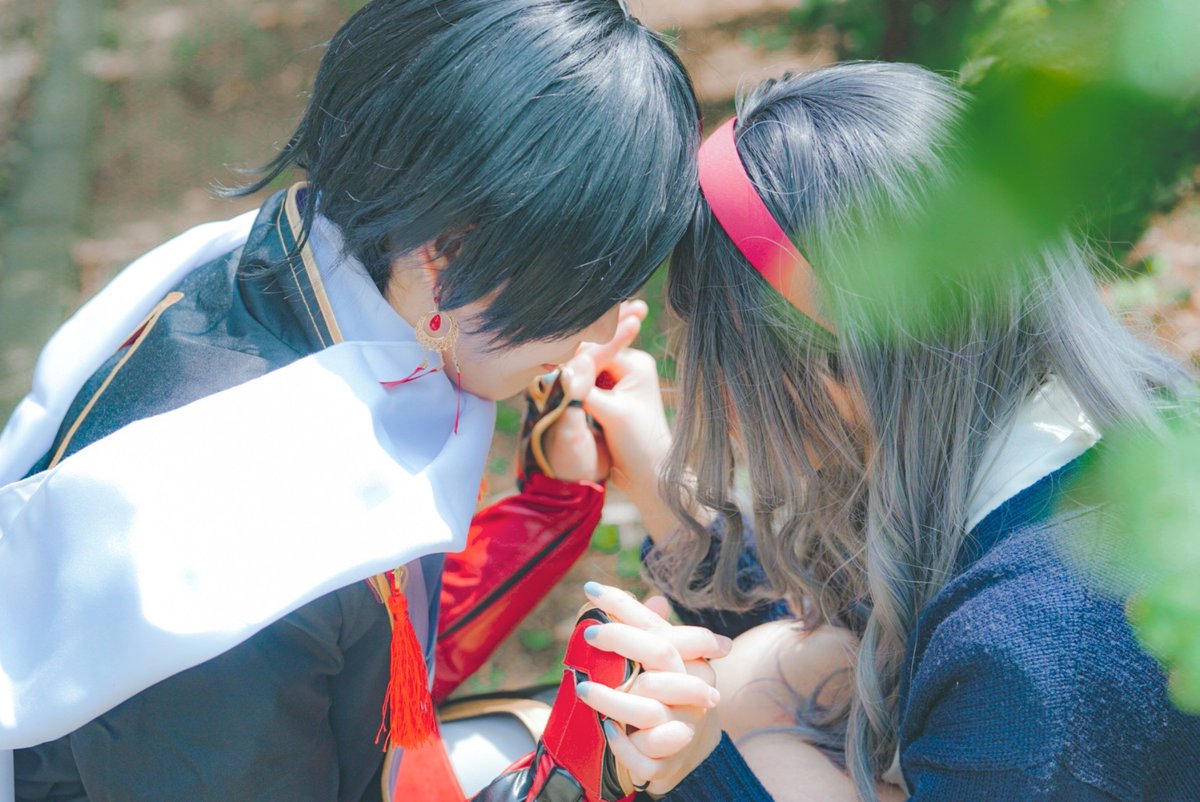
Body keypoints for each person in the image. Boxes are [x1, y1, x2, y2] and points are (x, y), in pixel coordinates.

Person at [0, 1, 699, 800]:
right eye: (589, 286)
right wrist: (580, 778)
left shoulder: (278, 268)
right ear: (450, 254)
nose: (608, 325)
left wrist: (553, 497)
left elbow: (371, 654)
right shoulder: (229, 545)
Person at [559, 62, 1200, 800]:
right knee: (787, 665)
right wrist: (649, 468)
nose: (724, 409)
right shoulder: (1061, 456)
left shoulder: (1024, 669)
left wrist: (702, 771)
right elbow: (864, 624)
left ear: (843, 366)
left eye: (720, 361)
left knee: (764, 704)